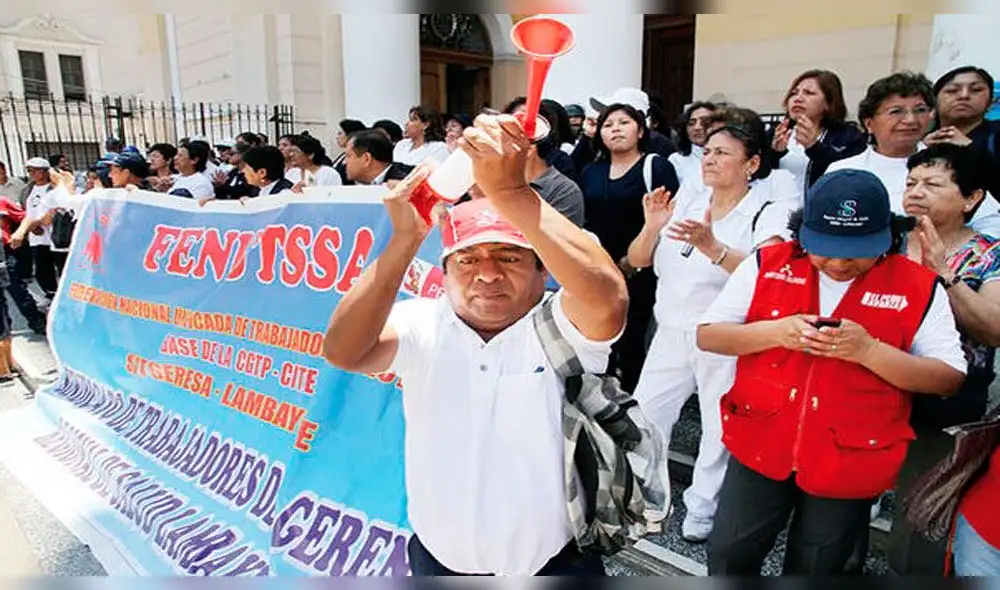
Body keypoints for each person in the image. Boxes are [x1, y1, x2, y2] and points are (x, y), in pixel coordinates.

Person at [322, 113, 627, 576]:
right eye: (467, 259)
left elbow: (608, 299)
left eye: (508, 257)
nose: (487, 273)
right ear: (443, 274)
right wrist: (404, 240)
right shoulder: (422, 321)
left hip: (555, 564)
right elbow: (344, 351)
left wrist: (511, 193)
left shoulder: (560, 327)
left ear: (542, 272)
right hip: (438, 563)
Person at [697, 169, 967, 575]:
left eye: (856, 250)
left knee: (820, 565)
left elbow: (948, 377)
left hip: (850, 455)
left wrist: (869, 352)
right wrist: (776, 333)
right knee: (729, 553)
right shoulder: (767, 264)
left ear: (887, 236)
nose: (839, 263)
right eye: (825, 248)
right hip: (761, 440)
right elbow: (709, 336)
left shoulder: (916, 285)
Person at [626, 123, 797, 543]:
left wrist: (712, 247)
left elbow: (769, 275)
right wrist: (651, 226)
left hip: (724, 336)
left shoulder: (767, 209)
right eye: (707, 152)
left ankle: (703, 508)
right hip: (670, 330)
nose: (710, 159)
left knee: (718, 427)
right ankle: (648, 498)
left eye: (722, 153)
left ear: (752, 164)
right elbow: (637, 260)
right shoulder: (688, 196)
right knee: (646, 415)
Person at [884, 143, 1000, 575]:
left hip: (944, 400)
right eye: (911, 182)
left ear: (972, 198)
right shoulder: (886, 238)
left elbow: (994, 328)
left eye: (933, 184)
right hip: (871, 386)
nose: (916, 191)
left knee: (919, 512)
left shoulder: (989, 254)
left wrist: (942, 275)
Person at [579, 102, 680, 393]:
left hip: (641, 266)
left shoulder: (655, 166)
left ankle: (634, 402)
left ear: (640, 130)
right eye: (608, 125)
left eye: (624, 123)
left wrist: (631, 261)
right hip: (598, 266)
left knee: (633, 337)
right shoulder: (591, 171)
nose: (615, 130)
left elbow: (669, 215)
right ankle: (600, 398)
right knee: (599, 334)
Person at [826, 71, 1000, 236]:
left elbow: (991, 224)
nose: (911, 120)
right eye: (896, 111)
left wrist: (956, 256)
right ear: (869, 123)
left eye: (920, 110)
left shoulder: (952, 164)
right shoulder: (843, 170)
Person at [769, 69, 868, 193]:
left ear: (829, 103)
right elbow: (754, 174)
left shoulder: (848, 136)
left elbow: (848, 177)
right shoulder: (777, 133)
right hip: (778, 208)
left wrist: (814, 148)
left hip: (820, 210)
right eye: (794, 93)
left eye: (808, 93)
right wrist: (774, 153)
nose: (798, 98)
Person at [669, 101, 717, 187]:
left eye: (705, 122)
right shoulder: (676, 160)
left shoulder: (730, 158)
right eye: (691, 123)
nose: (697, 127)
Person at [342, 129, 413, 186]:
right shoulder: (352, 183)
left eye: (348, 156)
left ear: (366, 159)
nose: (344, 162)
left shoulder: (406, 183)